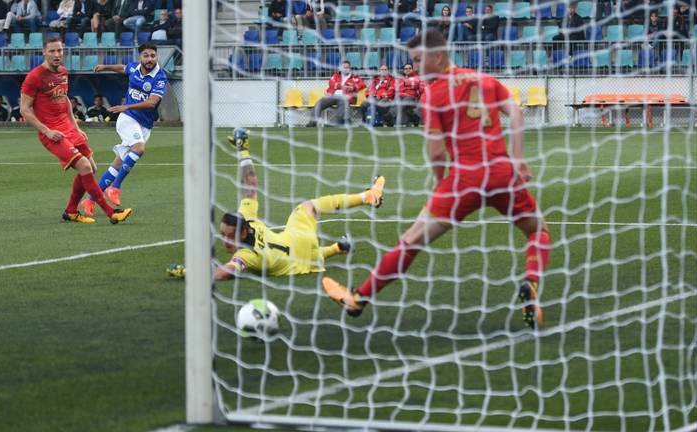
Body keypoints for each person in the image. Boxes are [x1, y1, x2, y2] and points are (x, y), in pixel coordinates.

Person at [321, 29, 551, 330]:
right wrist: (519, 160)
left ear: (439, 56)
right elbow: (517, 115)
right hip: (502, 174)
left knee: (411, 241)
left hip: (463, 181)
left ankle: (358, 300)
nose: (414, 68)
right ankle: (531, 285)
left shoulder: (435, 95)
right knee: (539, 231)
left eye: (419, 60)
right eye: (412, 61)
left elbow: (435, 153)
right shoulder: (483, 80)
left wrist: (443, 186)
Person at [167, 129, 386, 280]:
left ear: (243, 234)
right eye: (223, 234)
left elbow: (225, 273)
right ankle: (366, 198)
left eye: (228, 236)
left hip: (300, 261)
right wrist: (243, 150)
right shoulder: (248, 219)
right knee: (309, 206)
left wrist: (190, 274)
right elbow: (250, 184)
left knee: (306, 255)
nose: (224, 241)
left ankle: (339, 246)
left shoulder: (246, 255)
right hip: (301, 240)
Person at [20, 36, 131, 224]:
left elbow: (64, 100)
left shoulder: (63, 72)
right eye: (52, 51)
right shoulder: (35, 77)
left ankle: (71, 211)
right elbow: (24, 109)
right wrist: (46, 131)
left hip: (68, 128)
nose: (57, 54)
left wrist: (76, 127)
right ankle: (111, 213)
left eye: (60, 50)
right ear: (44, 53)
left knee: (91, 168)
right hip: (52, 133)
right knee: (85, 166)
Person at [81, 43, 167, 214]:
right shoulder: (135, 68)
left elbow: (152, 102)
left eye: (153, 56)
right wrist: (106, 66)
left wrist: (126, 106)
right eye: (146, 56)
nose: (150, 59)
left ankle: (90, 200)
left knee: (118, 163)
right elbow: (122, 68)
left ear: (156, 57)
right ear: (140, 57)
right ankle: (115, 188)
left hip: (143, 123)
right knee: (139, 148)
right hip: (127, 119)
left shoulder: (160, 77)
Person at [309, 60, 366, 126]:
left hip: (345, 98)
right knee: (320, 103)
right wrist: (342, 86)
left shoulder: (354, 77)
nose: (345, 69)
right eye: (344, 67)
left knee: (343, 101)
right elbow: (331, 83)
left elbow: (362, 84)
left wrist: (353, 87)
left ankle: (337, 122)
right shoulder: (336, 75)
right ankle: (313, 122)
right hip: (333, 96)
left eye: (347, 67)